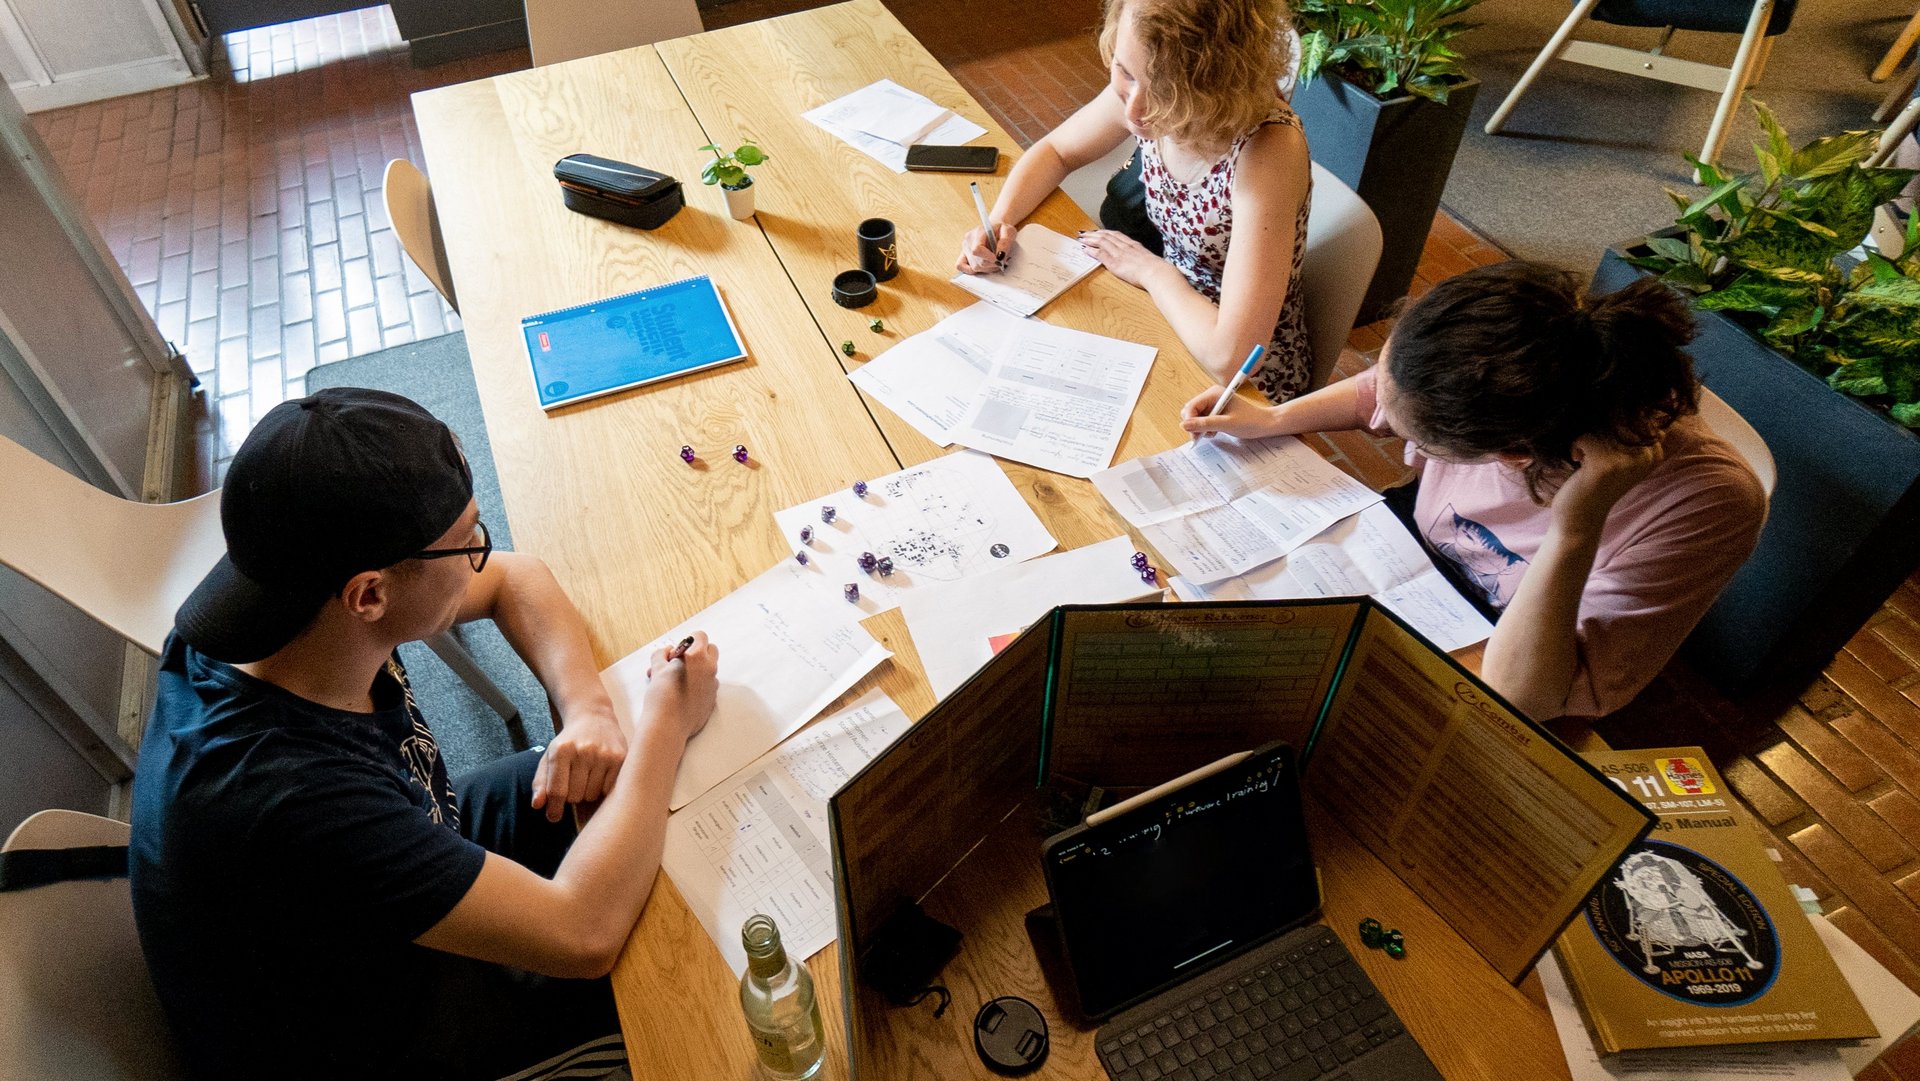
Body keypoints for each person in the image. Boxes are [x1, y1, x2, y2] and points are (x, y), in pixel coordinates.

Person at [129, 388, 718, 1081]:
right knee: (687, 1000)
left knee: (632, 797)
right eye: (466, 539)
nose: (479, 550)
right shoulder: (287, 798)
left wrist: (588, 710)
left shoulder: (282, 598)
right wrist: (666, 724)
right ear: (369, 594)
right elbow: (582, 933)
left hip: (391, 866)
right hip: (393, 1037)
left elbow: (516, 578)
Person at [1181, 262, 1768, 721]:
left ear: (1513, 457)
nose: (1386, 419)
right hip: (1410, 554)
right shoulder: (1530, 352)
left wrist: (1576, 523)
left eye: (1421, 444)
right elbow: (1387, 393)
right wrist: (1275, 419)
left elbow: (1521, 698)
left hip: (1509, 640)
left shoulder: (1708, 505)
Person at [955, 0, 1315, 402]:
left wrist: (1152, 272)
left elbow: (1233, 357)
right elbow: (1057, 151)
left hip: (1243, 388)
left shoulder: (1269, 149)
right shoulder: (1146, 88)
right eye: (1124, 71)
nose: (1134, 110)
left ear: (1216, 83)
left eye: (1165, 91)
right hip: (1162, 313)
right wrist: (1000, 223)